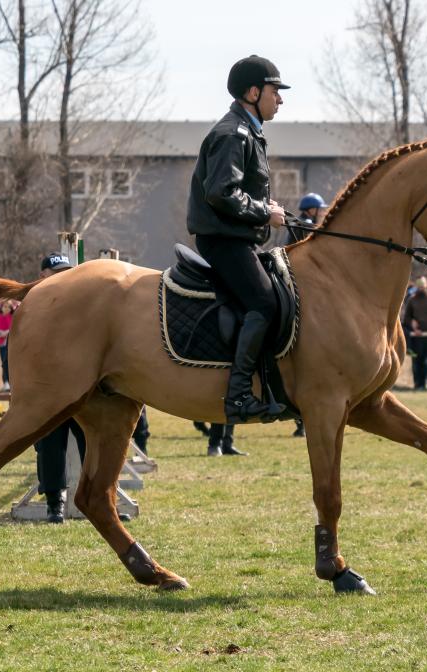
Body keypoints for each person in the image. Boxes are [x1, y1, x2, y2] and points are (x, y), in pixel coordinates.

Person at [186, 54, 289, 423]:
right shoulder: (234, 133)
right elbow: (221, 192)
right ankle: (239, 395)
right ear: (252, 91)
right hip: (223, 242)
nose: (280, 99)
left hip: (236, 239)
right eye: (275, 91)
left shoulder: (247, 131)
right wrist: (264, 212)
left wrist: (266, 207)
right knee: (265, 304)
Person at [32, 252, 83, 522]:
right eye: (58, 273)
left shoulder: (79, 305)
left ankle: (104, 498)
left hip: (80, 385)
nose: (65, 277)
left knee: (95, 443)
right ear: (43, 276)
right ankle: (55, 504)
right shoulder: (34, 307)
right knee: (50, 446)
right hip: (49, 388)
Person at [0, 300, 16, 391]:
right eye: (4, 306)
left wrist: (8, 331)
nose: (5, 308)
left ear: (11, 309)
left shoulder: (14, 317)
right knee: (5, 363)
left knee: (12, 364)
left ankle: (13, 383)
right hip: (3, 344)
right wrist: (0, 332)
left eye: (7, 307)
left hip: (13, 344)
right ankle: (6, 383)